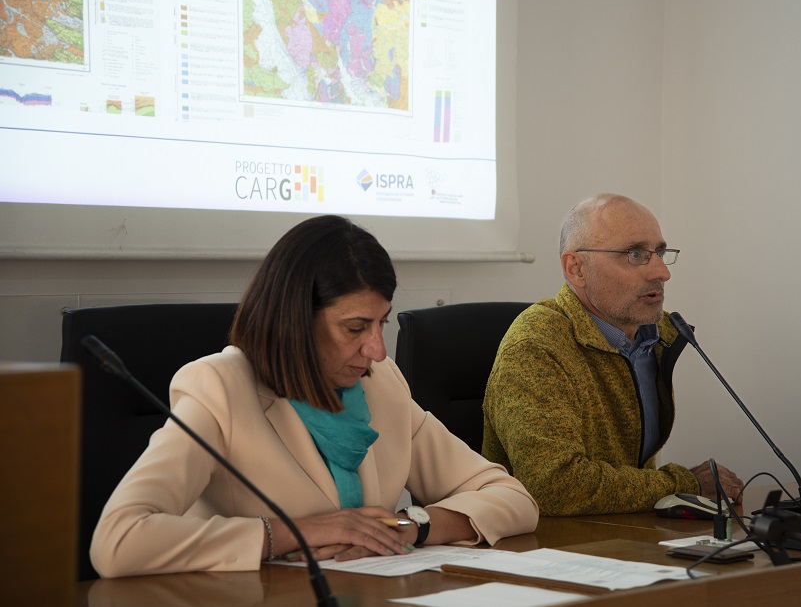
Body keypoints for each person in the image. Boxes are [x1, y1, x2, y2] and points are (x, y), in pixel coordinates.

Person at [91, 215, 538, 578]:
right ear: (295, 322)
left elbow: (510, 497)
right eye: (355, 328)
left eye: (380, 323)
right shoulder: (219, 389)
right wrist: (296, 533)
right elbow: (118, 540)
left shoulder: (380, 383)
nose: (377, 350)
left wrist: (408, 526)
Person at [482, 193, 743, 516]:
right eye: (635, 254)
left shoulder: (658, 336)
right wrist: (684, 484)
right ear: (576, 268)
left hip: (631, 530)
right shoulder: (535, 346)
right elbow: (555, 486)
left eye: (660, 252)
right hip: (547, 539)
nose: (662, 272)